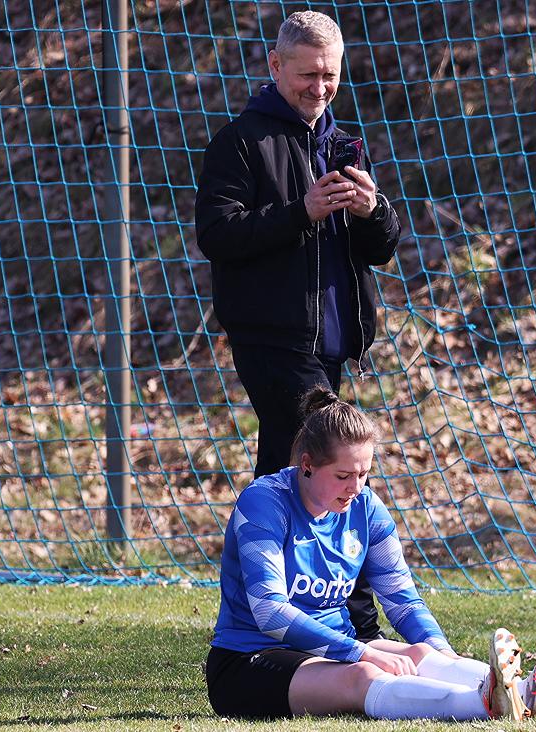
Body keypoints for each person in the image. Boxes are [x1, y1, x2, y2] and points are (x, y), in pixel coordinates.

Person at [194, 9, 400, 661]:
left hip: (331, 345)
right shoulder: (239, 143)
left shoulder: (343, 143)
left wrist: (373, 210)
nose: (320, 87)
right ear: (275, 66)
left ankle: (261, 627)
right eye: (308, 74)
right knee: (337, 464)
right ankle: (360, 628)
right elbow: (217, 235)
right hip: (272, 341)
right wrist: (299, 212)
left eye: (330, 75)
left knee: (282, 481)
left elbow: (381, 248)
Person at [205, 387, 536, 720]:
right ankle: (486, 703)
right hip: (249, 661)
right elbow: (270, 612)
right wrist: (360, 652)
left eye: (364, 474)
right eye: (343, 476)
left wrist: (444, 654)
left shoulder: (366, 508)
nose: (355, 488)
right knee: (364, 674)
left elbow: (402, 601)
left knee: (418, 653)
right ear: (307, 465)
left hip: (333, 650)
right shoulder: (264, 503)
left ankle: (525, 691)